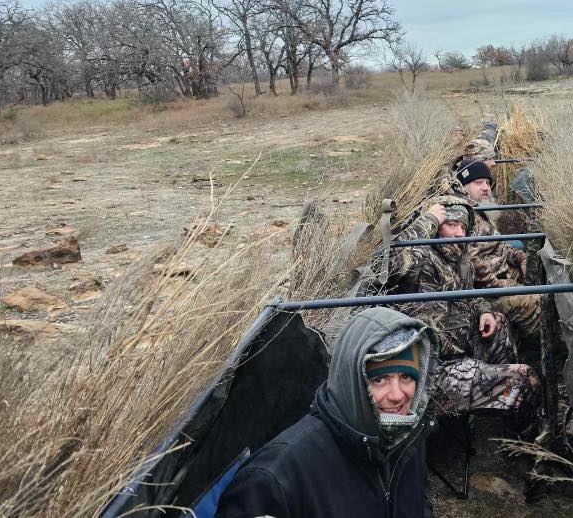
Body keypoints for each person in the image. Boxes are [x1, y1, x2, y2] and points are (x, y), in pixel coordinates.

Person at [215, 307, 438, 518]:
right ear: (353, 381)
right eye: (379, 379)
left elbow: (417, 505)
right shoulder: (272, 480)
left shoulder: (407, 435)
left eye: (407, 377)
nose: (398, 395)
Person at [387, 196, 541, 431]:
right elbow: (396, 263)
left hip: (461, 349)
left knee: (499, 323)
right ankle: (525, 438)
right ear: (434, 229)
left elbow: (470, 293)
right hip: (433, 371)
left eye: (463, 227)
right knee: (525, 378)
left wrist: (484, 311)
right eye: (451, 225)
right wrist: (428, 219)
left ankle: (504, 422)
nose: (460, 233)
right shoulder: (421, 261)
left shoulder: (459, 258)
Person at [446, 162, 540, 343]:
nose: (485, 188)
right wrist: (503, 285)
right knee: (539, 303)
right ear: (463, 187)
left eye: (488, 183)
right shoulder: (462, 216)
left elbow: (501, 245)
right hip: (486, 293)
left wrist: (521, 258)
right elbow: (471, 263)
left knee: (540, 276)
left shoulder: (481, 211)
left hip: (502, 275)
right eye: (478, 183)